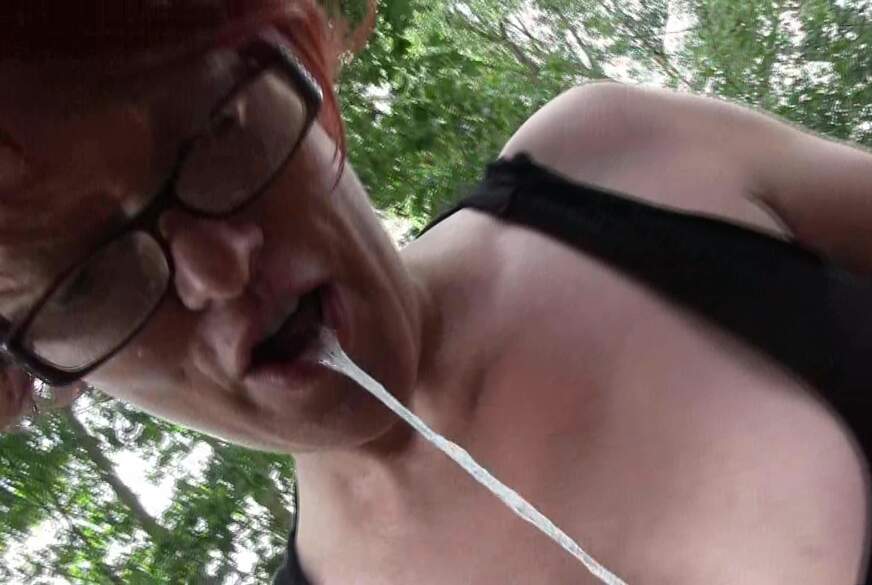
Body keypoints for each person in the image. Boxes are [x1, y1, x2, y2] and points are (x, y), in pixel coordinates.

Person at [1, 2, 870, 584]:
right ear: (48, 369)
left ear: (298, 66)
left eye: (216, 131)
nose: (217, 268)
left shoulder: (622, 165)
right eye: (87, 282)